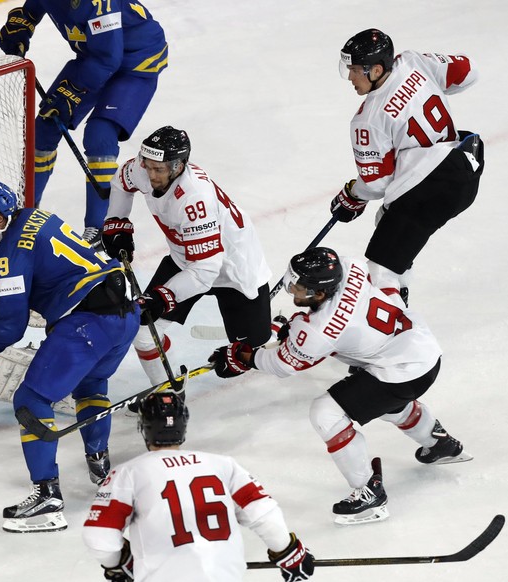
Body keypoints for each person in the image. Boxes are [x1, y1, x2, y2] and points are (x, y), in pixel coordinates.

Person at [210, 247, 470, 525]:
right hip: (420, 349)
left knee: (326, 412)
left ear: (320, 293)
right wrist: (294, 329)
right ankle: (437, 442)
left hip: (401, 370)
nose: (291, 289)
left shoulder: (318, 329)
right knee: (380, 400)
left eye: (298, 287)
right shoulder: (350, 266)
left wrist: (242, 357)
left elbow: (282, 364)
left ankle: (369, 494)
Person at [0, 180, 139, 533]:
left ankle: (47, 498)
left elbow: (11, 326)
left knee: (30, 399)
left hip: (88, 323)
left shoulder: (8, 256)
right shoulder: (37, 216)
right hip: (125, 314)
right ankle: (100, 464)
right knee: (90, 385)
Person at [101, 126, 272, 386]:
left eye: (159, 169)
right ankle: (165, 390)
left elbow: (205, 271)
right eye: (148, 166)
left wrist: (163, 297)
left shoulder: (194, 200)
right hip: (185, 260)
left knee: (249, 354)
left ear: (179, 166)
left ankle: (279, 327)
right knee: (145, 332)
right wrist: (117, 221)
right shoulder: (145, 167)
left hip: (234, 271)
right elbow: (121, 184)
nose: (151, 174)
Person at [82, 392, 315, 582]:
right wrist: (289, 554)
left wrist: (120, 564)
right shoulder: (223, 465)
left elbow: (100, 538)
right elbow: (263, 513)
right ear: (183, 427)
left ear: (144, 428)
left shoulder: (129, 473)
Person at [330, 29, 484, 304]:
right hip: (465, 166)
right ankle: (400, 290)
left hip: (431, 188)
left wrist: (352, 196)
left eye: (355, 70)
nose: (350, 78)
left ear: (376, 69)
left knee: (380, 269)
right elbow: (467, 72)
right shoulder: (413, 61)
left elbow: (377, 184)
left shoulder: (367, 120)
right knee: (387, 219)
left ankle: (392, 329)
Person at [0, 0, 168, 242]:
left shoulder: (99, 3)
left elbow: (109, 58)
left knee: (100, 135)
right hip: (95, 57)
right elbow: (33, 7)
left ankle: (99, 229)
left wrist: (73, 91)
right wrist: (23, 24)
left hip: (135, 62)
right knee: (44, 129)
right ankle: (26, 214)